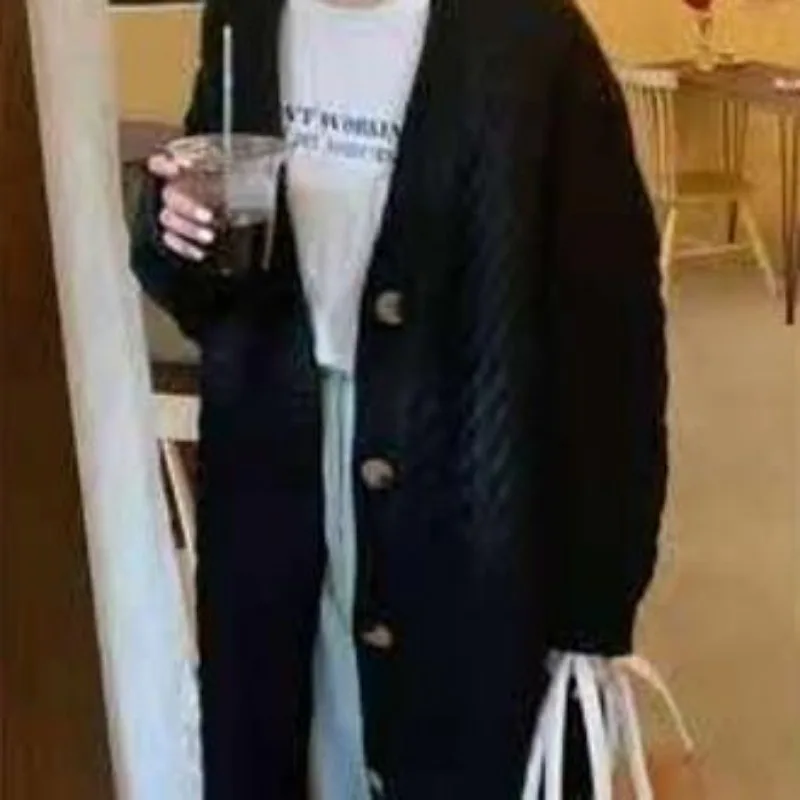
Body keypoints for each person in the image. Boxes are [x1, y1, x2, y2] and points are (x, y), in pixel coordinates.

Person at [130, 0, 668, 796]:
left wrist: (595, 599)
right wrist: (173, 228)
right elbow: (208, 278)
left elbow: (611, 337)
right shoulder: (245, 14)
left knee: (450, 752)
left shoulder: (530, 37)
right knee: (287, 748)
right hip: (272, 482)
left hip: (459, 490)